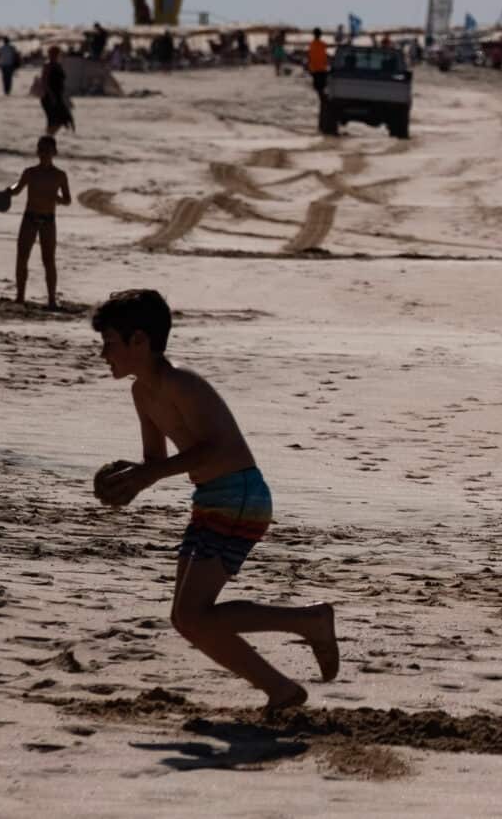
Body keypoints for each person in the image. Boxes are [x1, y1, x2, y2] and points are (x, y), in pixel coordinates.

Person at [89, 289, 340, 712]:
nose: (103, 354)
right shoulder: (142, 393)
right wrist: (130, 478)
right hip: (213, 498)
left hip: (240, 495)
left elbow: (218, 449)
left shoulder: (180, 381)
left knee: (194, 616)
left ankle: (308, 622)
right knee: (187, 620)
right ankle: (281, 687)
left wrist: (147, 475)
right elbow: (157, 461)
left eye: (109, 342)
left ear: (139, 341)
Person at [4, 135, 72, 307]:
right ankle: (20, 297)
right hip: (30, 218)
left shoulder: (60, 175)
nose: (43, 153)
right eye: (41, 150)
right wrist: (8, 191)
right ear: (37, 151)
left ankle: (51, 299)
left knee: (48, 260)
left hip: (48, 220)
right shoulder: (30, 173)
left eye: (47, 150)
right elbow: (17, 189)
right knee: (22, 258)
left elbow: (68, 200)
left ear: (54, 152)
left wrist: (57, 199)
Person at [40, 45, 74, 135]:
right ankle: (48, 137)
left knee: (62, 118)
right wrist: (51, 95)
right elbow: (44, 82)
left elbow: (61, 82)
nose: (55, 55)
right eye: (53, 53)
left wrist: (65, 97)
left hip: (58, 95)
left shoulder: (58, 65)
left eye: (56, 54)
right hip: (50, 96)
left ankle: (49, 137)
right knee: (54, 119)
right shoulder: (48, 65)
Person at [306, 28, 331, 98]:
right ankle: (323, 99)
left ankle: (322, 99)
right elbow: (326, 55)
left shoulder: (312, 45)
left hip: (315, 69)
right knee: (322, 87)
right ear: (320, 35)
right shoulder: (322, 44)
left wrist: (309, 67)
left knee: (318, 88)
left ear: (314, 35)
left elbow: (310, 57)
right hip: (322, 69)